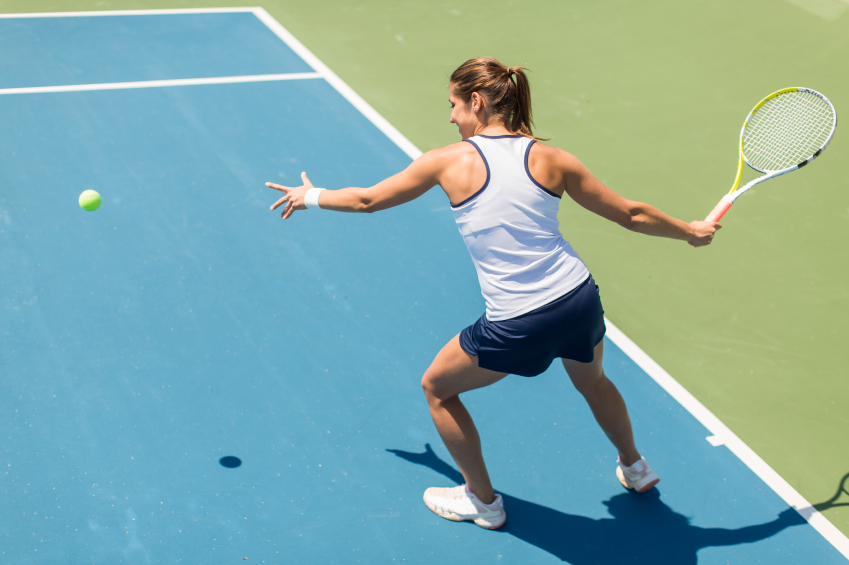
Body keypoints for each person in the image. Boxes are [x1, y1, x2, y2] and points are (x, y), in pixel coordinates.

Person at [266, 56, 719, 530]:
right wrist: (688, 231)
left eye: (454, 105)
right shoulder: (552, 158)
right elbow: (632, 214)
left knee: (437, 389)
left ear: (476, 102)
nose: (451, 116)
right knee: (593, 381)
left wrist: (311, 196)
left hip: (520, 319)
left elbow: (367, 200)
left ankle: (483, 502)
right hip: (578, 297)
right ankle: (636, 466)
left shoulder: (448, 160)